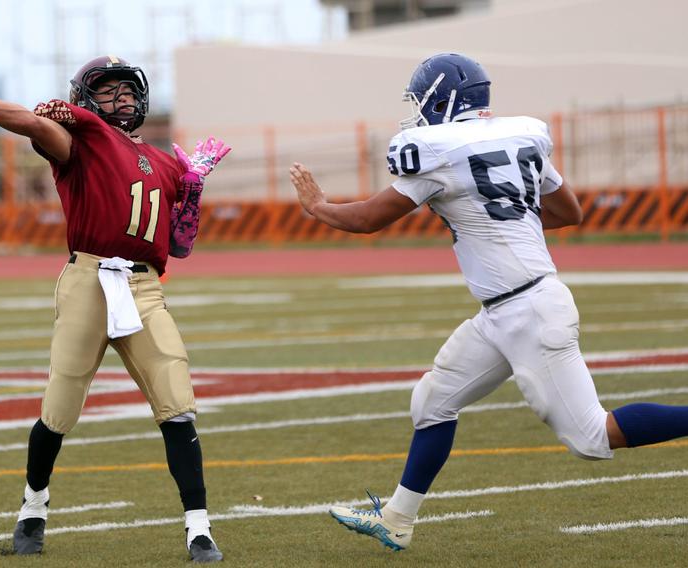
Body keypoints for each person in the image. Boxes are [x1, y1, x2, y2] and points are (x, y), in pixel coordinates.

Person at [290, 52, 688, 552]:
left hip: (529, 311)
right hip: (504, 311)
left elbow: (367, 220)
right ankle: (397, 519)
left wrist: (318, 206)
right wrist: (502, 216)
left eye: (421, 101)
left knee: (592, 437)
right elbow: (570, 212)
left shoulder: (436, 153)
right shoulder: (518, 138)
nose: (416, 112)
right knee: (433, 401)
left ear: (443, 99)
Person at [0, 54, 230, 563]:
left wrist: (192, 188)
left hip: (144, 286)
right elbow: (28, 122)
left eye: (126, 89)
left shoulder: (164, 161)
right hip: (88, 279)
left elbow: (181, 245)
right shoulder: (80, 138)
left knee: (178, 400)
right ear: (85, 99)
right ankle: (33, 507)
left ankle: (199, 529)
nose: (120, 97)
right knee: (60, 406)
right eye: (107, 90)